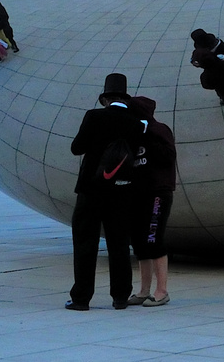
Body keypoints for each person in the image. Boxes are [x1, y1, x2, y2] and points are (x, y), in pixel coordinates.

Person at [67, 75, 145, 310]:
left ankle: (81, 298)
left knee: (85, 242)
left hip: (91, 189)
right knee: (119, 243)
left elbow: (76, 148)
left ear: (104, 99)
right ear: (125, 98)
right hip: (121, 189)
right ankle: (120, 296)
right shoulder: (136, 121)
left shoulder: (94, 116)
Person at [127, 96, 176, 307]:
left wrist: (147, 137)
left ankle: (162, 290)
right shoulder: (133, 135)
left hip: (158, 192)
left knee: (153, 239)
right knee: (139, 242)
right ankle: (144, 289)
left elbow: (168, 155)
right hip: (138, 192)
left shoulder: (158, 130)